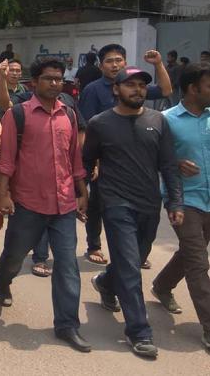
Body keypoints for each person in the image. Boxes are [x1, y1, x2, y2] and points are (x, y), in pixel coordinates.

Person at [0, 58, 90, 351]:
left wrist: (83, 192)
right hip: (28, 202)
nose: (55, 84)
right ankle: (2, 280)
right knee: (14, 255)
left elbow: (75, 159)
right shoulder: (18, 115)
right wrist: (3, 194)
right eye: (48, 79)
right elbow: (6, 158)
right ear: (34, 83)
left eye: (59, 79)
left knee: (67, 264)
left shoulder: (69, 115)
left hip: (64, 203)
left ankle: (67, 325)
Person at [83, 66, 183, 359]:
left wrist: (175, 202)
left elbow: (168, 165)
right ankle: (139, 332)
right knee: (130, 267)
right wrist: (83, 196)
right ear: (116, 90)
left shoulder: (158, 121)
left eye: (141, 85)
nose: (137, 90)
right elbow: (86, 162)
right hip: (115, 203)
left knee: (135, 258)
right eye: (130, 85)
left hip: (149, 204)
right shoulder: (100, 123)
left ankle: (104, 282)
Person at [78, 46, 172, 268]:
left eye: (118, 60)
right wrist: (96, 162)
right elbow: (87, 127)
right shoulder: (93, 90)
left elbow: (166, 90)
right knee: (99, 204)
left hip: (134, 155)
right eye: (109, 61)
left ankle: (134, 253)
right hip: (105, 158)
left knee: (137, 212)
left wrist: (158, 63)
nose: (114, 65)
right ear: (101, 65)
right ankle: (94, 246)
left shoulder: (137, 87)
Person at [152, 62, 210, 350]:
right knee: (199, 262)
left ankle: (162, 286)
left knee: (190, 253)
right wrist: (174, 163)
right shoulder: (167, 119)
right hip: (183, 201)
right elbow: (150, 155)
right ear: (192, 88)